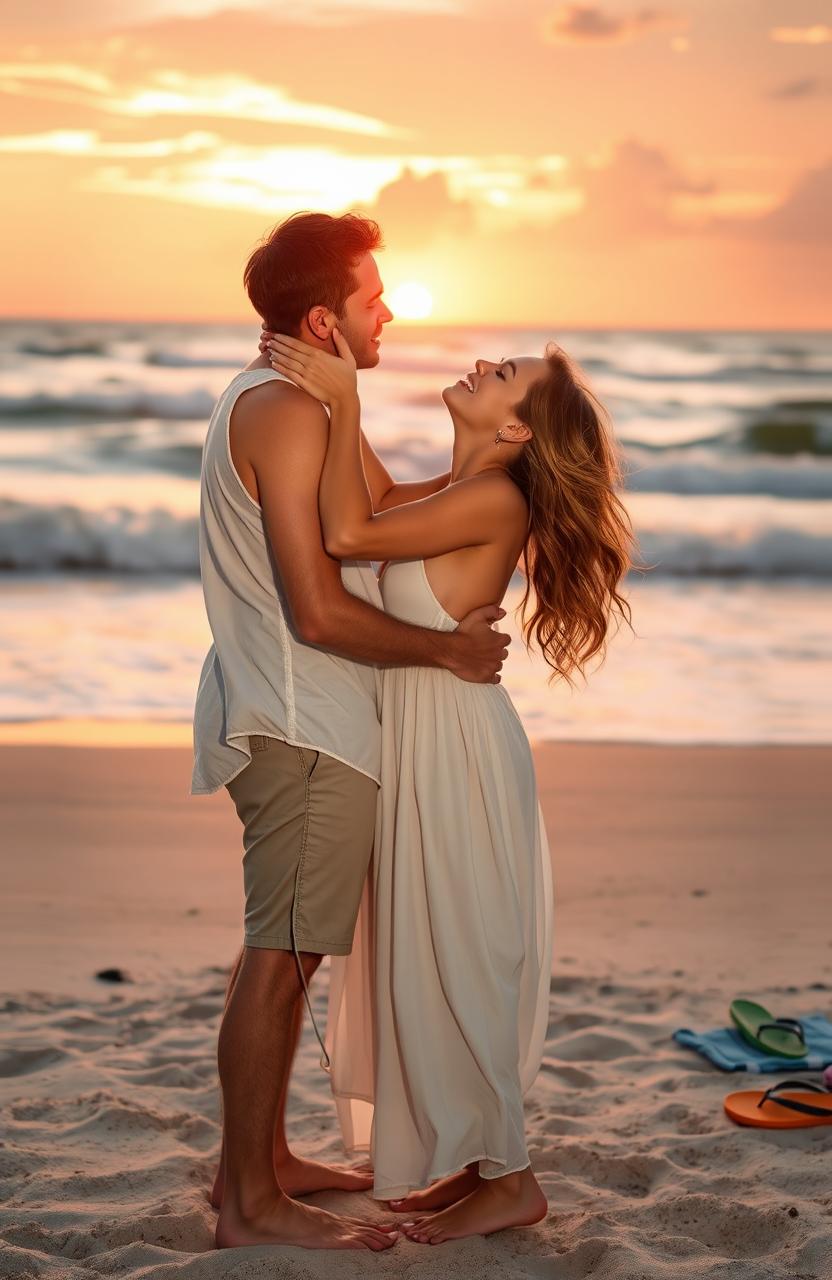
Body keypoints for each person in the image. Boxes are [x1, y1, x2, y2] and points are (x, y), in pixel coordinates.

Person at [265, 326, 632, 1243]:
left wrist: (343, 401)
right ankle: (472, 1167)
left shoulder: (497, 502)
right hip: (426, 746)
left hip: (458, 753)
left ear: (517, 433)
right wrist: (332, 400)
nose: (482, 364)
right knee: (428, 954)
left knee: (465, 957)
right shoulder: (463, 487)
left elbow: (349, 532)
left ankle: (514, 1178)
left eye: (504, 374)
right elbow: (379, 499)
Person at [190, 212, 511, 1252]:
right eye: (376, 297)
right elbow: (319, 608)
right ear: (326, 316)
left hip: (291, 710)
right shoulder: (288, 411)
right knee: (283, 950)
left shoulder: (310, 400)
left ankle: (267, 1157)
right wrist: (447, 652)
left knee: (284, 949)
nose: (392, 310)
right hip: (304, 718)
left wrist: (503, 488)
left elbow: (376, 506)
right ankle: (249, 1199)